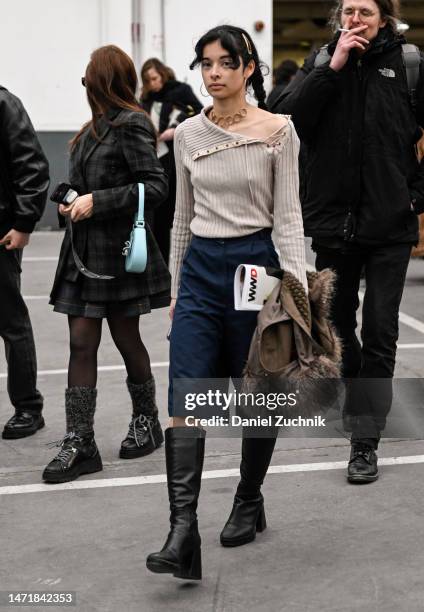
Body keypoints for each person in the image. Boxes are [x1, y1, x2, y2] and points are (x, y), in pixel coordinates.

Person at [146, 26, 307, 580]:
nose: (213, 73)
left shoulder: (278, 131)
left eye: (224, 63)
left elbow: (287, 217)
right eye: (205, 64)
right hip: (200, 273)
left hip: (255, 268)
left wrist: (297, 295)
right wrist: (174, 292)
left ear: (248, 68)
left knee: (257, 391)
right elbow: (182, 219)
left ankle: (248, 498)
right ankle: (181, 529)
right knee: (186, 392)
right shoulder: (189, 134)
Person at [274, 0, 424, 483]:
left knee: (381, 331)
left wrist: (414, 195)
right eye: (350, 11)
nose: (357, 19)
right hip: (334, 226)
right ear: (338, 18)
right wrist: (331, 68)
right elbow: (286, 122)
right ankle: (359, 390)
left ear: (384, 18)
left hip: (389, 226)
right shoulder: (321, 64)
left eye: (367, 11)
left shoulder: (408, 65)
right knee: (339, 329)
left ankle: (364, 440)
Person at [42, 45, 170, 483]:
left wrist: (99, 201)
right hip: (83, 251)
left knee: (125, 336)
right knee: (81, 340)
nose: (84, 87)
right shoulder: (88, 130)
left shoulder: (132, 123)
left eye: (87, 80)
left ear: (103, 82)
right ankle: (81, 441)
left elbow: (155, 186)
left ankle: (147, 420)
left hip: (116, 252)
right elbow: (84, 185)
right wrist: (72, 197)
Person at [0, 86, 49, 440]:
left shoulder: (4, 103)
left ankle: (28, 407)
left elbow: (31, 165)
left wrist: (23, 223)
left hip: (0, 232)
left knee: (11, 322)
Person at [140, 58, 203, 263]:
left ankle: (184, 266)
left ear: (163, 74)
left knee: (178, 215)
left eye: (155, 78)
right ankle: (160, 266)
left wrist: (176, 130)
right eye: (148, 81)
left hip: (176, 160)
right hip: (153, 159)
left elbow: (199, 114)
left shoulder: (180, 91)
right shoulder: (147, 98)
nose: (152, 84)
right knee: (155, 219)